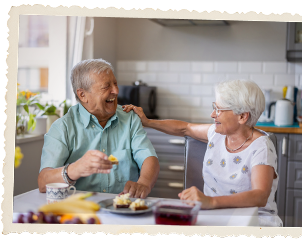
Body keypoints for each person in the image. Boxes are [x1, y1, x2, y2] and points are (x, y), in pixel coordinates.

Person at [123, 79, 283, 227]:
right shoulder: (217, 133)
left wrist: (211, 201)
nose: (213, 115)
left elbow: (260, 196)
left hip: (255, 220)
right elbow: (184, 128)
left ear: (242, 116)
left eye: (219, 110)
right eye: (215, 107)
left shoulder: (261, 147)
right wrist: (147, 122)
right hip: (214, 216)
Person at [38, 59, 160, 198]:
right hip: (81, 210)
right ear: (82, 95)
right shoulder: (62, 128)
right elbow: (43, 182)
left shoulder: (129, 118)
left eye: (115, 83)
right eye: (106, 86)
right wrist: (76, 168)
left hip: (123, 208)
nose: (115, 91)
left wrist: (143, 183)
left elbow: (149, 158)